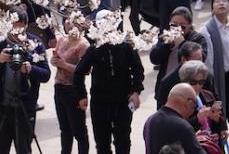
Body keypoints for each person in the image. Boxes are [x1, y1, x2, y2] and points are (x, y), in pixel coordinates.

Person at [0, 8, 51, 154]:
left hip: (26, 107)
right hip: (0, 106)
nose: (16, 31)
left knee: (24, 148)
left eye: (20, 27)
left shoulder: (35, 43)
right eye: (13, 26)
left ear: (26, 25)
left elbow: (46, 75)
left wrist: (31, 69)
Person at [74, 15, 145, 154]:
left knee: (123, 141)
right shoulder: (94, 49)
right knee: (102, 144)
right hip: (100, 103)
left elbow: (137, 70)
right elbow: (78, 72)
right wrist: (82, 96)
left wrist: (136, 91)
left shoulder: (126, 47)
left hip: (122, 102)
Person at [198, 0, 229, 118]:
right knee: (216, 112)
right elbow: (208, 60)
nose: (221, 3)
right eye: (217, 1)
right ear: (212, 8)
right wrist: (211, 83)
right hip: (215, 77)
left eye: (224, 1)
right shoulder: (206, 30)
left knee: (228, 111)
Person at [51, 21, 90, 154]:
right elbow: (56, 59)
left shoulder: (83, 44)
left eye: (71, 21)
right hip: (59, 87)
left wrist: (64, 65)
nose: (68, 23)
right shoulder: (62, 39)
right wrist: (54, 61)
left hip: (74, 90)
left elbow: (86, 70)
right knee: (65, 129)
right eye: (66, 20)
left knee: (79, 131)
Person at [150, 7, 209, 91]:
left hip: (189, 86)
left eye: (182, 26)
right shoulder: (166, 36)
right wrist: (166, 45)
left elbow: (201, 58)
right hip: (166, 85)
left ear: (189, 25)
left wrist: (182, 43)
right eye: (174, 25)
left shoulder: (198, 39)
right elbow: (154, 59)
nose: (177, 29)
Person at [142, 83, 206, 154]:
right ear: (189, 103)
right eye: (194, 106)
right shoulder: (183, 127)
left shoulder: (150, 121)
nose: (193, 111)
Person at [155, 42, 208, 108]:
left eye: (200, 59)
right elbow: (163, 111)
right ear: (183, 60)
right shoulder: (169, 82)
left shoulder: (206, 75)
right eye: (195, 61)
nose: (199, 63)